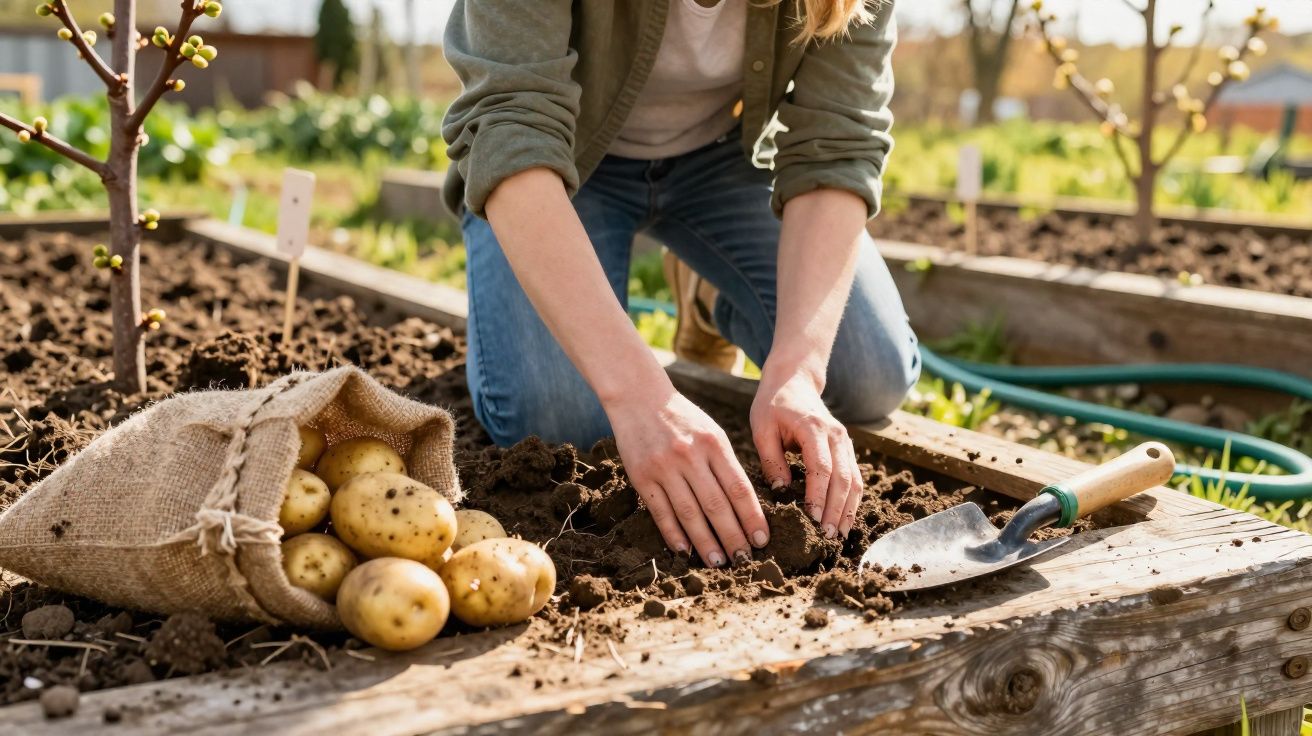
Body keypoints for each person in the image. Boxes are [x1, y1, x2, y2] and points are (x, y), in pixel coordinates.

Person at [441, 0, 919, 570]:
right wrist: (641, 397)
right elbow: (509, 128)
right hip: (559, 164)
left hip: (717, 166)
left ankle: (709, 290)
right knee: (563, 423)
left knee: (867, 372)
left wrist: (798, 370)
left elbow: (839, 145)